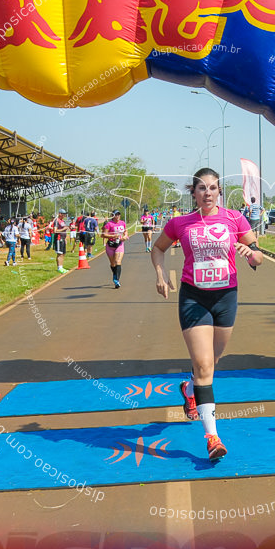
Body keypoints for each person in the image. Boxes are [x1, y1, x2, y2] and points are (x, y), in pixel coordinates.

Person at [151, 168, 263, 462]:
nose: (208, 193)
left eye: (213, 188)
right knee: (203, 366)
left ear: (219, 192)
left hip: (226, 297)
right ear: (194, 193)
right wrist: (160, 274)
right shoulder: (180, 223)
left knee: (213, 361)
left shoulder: (234, 219)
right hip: (194, 297)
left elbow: (258, 256)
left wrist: (249, 252)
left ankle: (188, 388)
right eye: (202, 188)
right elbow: (158, 248)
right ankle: (212, 437)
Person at [103, 210, 129, 288]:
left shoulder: (122, 223)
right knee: (113, 263)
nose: (117, 216)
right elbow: (104, 235)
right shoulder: (109, 224)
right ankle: (115, 276)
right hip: (110, 245)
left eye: (118, 214)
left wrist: (125, 236)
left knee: (118, 261)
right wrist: (113, 236)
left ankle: (116, 280)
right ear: (113, 215)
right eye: (116, 215)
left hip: (119, 244)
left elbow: (126, 231)